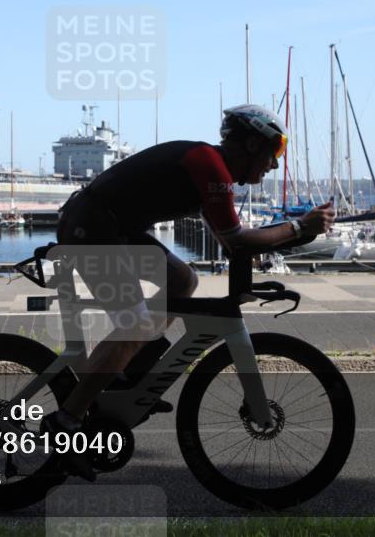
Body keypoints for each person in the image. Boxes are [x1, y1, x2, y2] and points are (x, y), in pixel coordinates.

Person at [41, 104, 336, 480]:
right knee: (136, 327)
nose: (274, 165)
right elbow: (238, 240)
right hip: (94, 228)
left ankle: (116, 376)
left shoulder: (213, 168)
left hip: (112, 227)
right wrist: (298, 228)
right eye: (274, 152)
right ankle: (66, 421)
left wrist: (300, 229)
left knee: (182, 282)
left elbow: (234, 242)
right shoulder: (209, 165)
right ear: (250, 143)